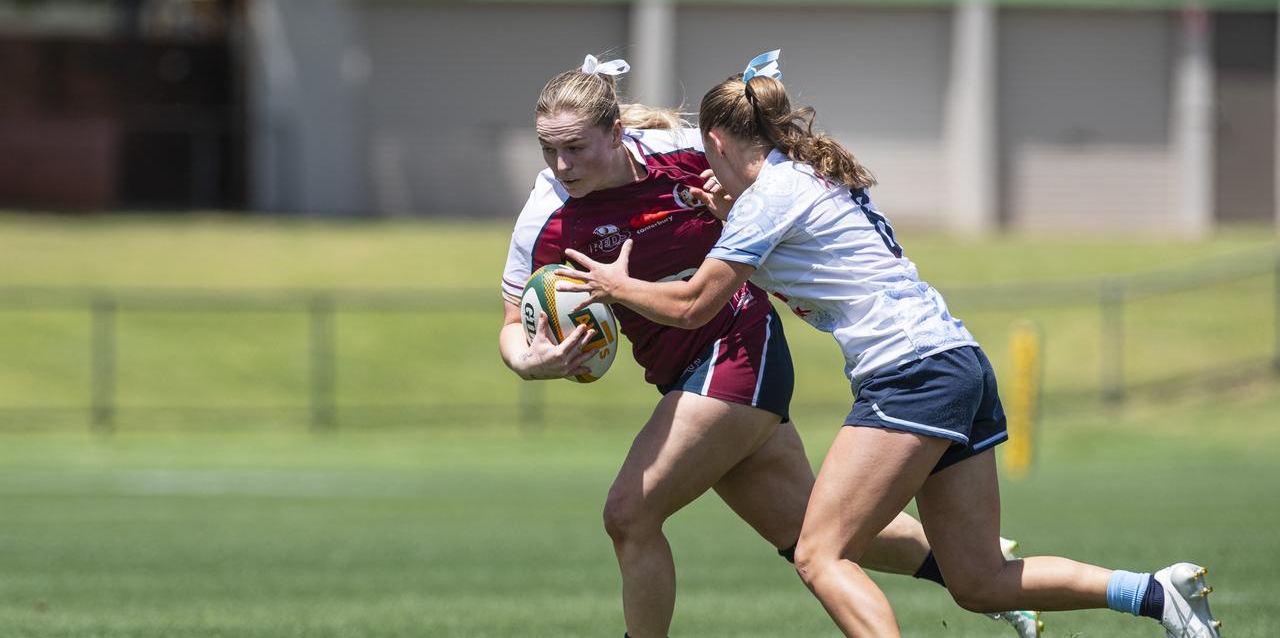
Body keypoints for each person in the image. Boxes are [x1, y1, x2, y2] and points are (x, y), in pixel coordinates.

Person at [556, 50, 1223, 638]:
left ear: (719, 145)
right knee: (979, 579)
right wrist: (726, 211)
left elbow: (694, 302)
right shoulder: (805, 178)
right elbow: (798, 253)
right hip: (958, 362)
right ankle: (1156, 593)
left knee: (819, 555)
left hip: (910, 374)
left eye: (710, 161)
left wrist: (615, 286)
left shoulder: (769, 199)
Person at [497, 54, 1043, 638]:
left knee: (629, 514)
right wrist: (530, 360)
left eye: (576, 147)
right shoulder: (547, 214)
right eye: (548, 149)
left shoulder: (686, 152)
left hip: (737, 348)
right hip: (678, 371)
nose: (562, 164)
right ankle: (991, 579)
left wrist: (734, 198)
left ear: (615, 133)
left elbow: (766, 164)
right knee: (807, 532)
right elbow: (512, 322)